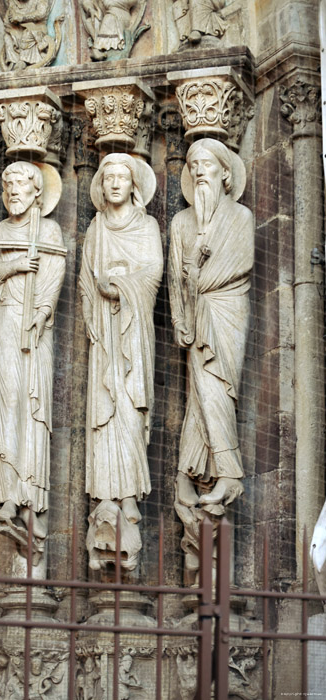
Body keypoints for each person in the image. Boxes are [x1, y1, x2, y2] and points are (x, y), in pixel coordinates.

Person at [168, 138, 254, 508]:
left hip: (226, 310)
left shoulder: (240, 216)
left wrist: (197, 276)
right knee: (199, 392)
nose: (199, 170)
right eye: (192, 165)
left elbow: (240, 264)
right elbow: (174, 276)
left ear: (225, 172)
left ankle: (229, 474)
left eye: (206, 163)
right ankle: (193, 470)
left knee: (215, 388)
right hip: (193, 312)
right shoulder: (181, 222)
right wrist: (177, 317)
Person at [79, 153, 163, 526]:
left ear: (134, 185)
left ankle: (129, 494)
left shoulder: (147, 227)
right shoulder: (95, 228)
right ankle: (106, 493)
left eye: (121, 177)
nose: (114, 183)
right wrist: (98, 297)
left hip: (133, 328)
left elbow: (154, 274)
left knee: (128, 409)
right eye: (108, 177)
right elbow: (84, 280)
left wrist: (120, 286)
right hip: (104, 332)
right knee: (103, 411)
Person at [0, 161, 65, 541]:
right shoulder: (1, 230)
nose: (14, 191)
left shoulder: (49, 230)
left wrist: (44, 311)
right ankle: (5, 495)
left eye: (21, 185)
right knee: (7, 402)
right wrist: (14, 264)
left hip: (34, 326)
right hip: (4, 322)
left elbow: (54, 276)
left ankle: (29, 493)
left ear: (37, 192)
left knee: (33, 405)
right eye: (9, 185)